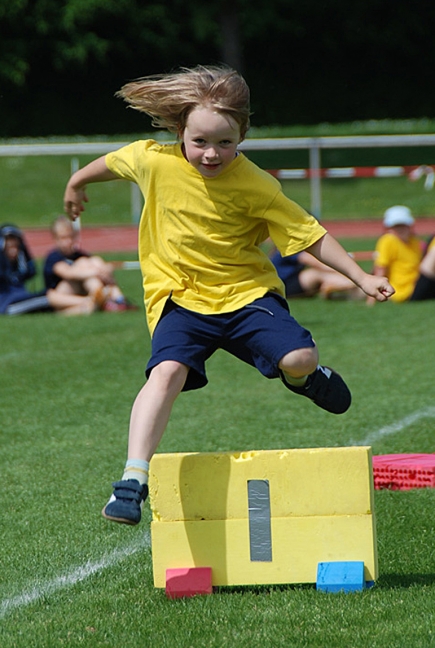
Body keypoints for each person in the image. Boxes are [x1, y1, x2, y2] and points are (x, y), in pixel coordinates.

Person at [63, 65, 394, 526]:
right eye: (200, 142)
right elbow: (111, 164)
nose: (212, 154)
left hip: (246, 295)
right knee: (166, 373)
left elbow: (310, 235)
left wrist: (360, 277)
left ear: (242, 136)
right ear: (180, 131)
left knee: (297, 359)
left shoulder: (258, 184)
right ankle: (131, 483)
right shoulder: (152, 159)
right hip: (180, 299)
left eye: (225, 143)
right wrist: (75, 184)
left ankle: (306, 378)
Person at [0, 223, 99, 316]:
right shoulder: (2, 264)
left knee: (49, 304)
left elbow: (30, 270)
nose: (14, 250)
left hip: (22, 298)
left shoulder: (18, 264)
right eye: (9, 247)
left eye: (16, 247)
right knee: (49, 296)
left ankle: (85, 307)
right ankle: (89, 300)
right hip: (7, 305)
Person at [43, 215, 132, 312]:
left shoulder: (80, 254)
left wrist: (104, 269)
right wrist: (96, 272)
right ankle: (102, 298)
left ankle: (116, 299)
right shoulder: (54, 257)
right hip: (63, 297)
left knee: (95, 261)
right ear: (56, 239)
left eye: (70, 237)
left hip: (82, 292)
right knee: (84, 263)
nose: (68, 241)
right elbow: (68, 273)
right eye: (63, 238)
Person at [369, 205, 435, 304]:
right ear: (389, 228)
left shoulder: (415, 242)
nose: (401, 229)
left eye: (403, 225)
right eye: (397, 226)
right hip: (404, 292)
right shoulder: (388, 240)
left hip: (418, 284)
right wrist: (371, 299)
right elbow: (380, 269)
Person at [270, 248, 364, 299]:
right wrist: (346, 271)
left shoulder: (284, 246)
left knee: (319, 274)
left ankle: (356, 287)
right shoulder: (289, 247)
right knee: (316, 274)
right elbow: (317, 264)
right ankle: (358, 285)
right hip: (283, 286)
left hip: (286, 283)